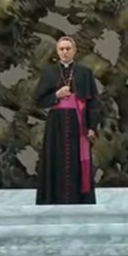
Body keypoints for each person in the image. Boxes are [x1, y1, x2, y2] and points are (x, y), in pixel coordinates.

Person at [34, 36, 101, 204]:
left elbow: (93, 102)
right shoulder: (49, 72)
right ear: (57, 52)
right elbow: (39, 101)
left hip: (78, 123)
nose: (65, 52)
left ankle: (79, 199)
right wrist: (56, 95)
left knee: (77, 160)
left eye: (68, 49)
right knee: (55, 158)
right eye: (62, 49)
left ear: (74, 51)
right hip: (56, 124)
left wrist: (92, 126)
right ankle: (54, 198)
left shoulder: (84, 72)